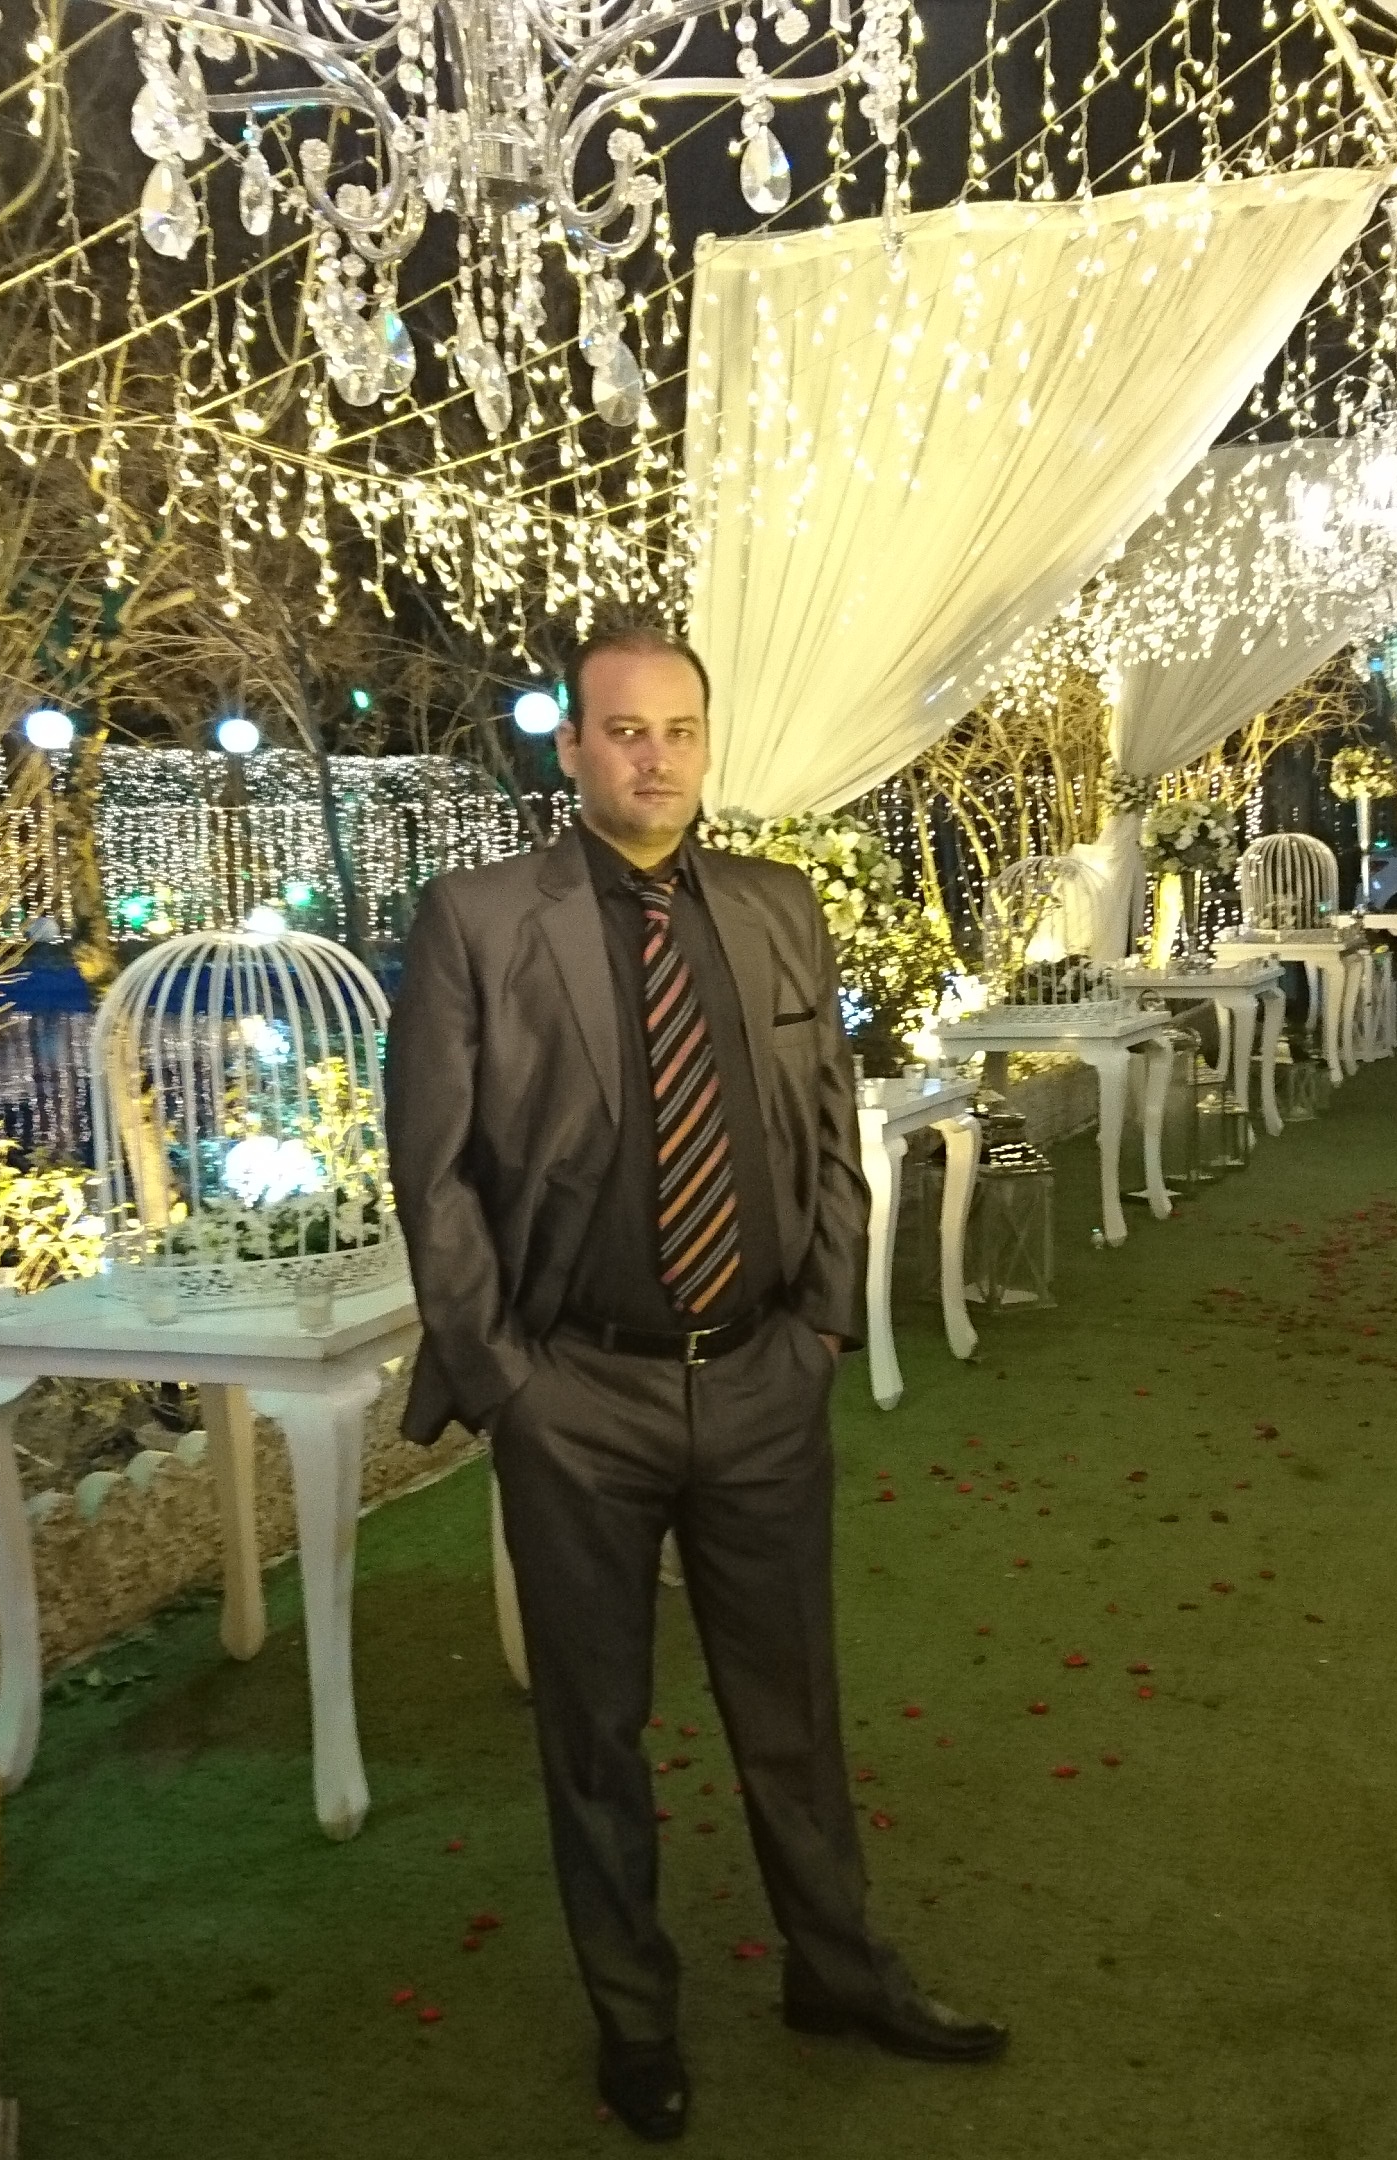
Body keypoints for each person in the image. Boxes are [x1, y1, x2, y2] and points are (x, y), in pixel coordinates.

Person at [384, 625, 1007, 2141]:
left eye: (677, 730)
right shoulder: (481, 920)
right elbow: (434, 1173)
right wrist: (507, 1382)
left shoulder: (777, 908)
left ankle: (837, 1972)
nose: (653, 756)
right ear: (572, 748)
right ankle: (636, 2022)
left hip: (761, 1380)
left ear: (705, 744)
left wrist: (822, 1328)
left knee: (793, 1705)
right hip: (576, 1396)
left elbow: (829, 1127)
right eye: (623, 731)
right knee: (594, 1732)